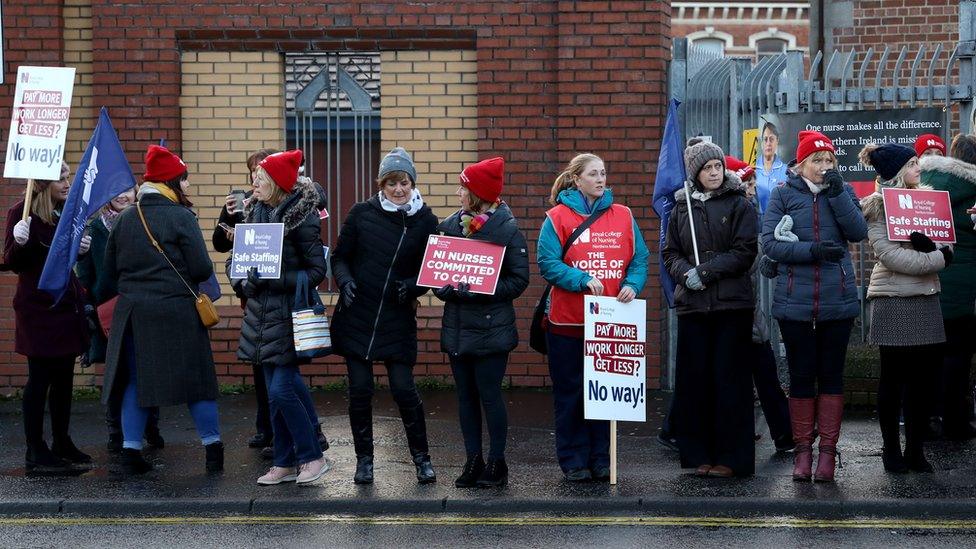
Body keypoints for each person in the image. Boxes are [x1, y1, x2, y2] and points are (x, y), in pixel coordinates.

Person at [101, 145, 223, 475]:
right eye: (184, 180)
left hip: (134, 315)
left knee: (138, 384)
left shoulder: (126, 219)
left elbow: (109, 273)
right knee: (197, 382)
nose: (188, 187)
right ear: (170, 182)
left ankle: (130, 452)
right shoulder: (182, 217)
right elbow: (200, 269)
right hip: (178, 312)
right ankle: (213, 451)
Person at [761, 131, 868, 483]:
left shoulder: (843, 191)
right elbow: (771, 245)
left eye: (829, 161)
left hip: (837, 302)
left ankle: (828, 454)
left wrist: (838, 194)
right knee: (802, 376)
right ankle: (803, 452)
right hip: (795, 303)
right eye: (817, 161)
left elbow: (857, 232)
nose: (824, 167)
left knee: (833, 377)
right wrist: (813, 251)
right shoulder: (782, 194)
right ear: (802, 164)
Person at [211, 148, 330, 460]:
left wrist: (273, 279)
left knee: (281, 391)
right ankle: (284, 460)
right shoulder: (254, 212)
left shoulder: (303, 220)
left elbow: (317, 271)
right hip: (260, 317)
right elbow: (235, 259)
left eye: (260, 178)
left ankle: (310, 454)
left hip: (289, 316)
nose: (253, 184)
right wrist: (244, 282)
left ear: (276, 183)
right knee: (277, 394)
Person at [331, 147, 439, 485]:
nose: (398, 189)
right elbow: (339, 257)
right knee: (360, 390)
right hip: (358, 314)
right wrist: (345, 281)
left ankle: (422, 460)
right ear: (382, 184)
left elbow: (430, 271)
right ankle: (365, 461)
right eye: (392, 182)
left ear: (412, 183)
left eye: (404, 182)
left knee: (404, 389)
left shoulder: (426, 220)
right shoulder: (362, 213)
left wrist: (412, 287)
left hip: (397, 317)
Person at [538, 153, 649, 482]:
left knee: (605, 393)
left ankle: (603, 458)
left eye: (603, 173)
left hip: (611, 322)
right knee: (571, 394)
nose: (600, 179)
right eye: (593, 174)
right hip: (567, 322)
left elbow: (639, 259)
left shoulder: (624, 216)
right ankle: (573, 459)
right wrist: (581, 279)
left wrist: (632, 284)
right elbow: (547, 263)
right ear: (577, 179)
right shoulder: (556, 218)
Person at [661, 143, 758, 478]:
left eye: (718, 166)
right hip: (693, 307)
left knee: (729, 382)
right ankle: (698, 453)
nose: (715, 172)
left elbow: (744, 252)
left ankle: (732, 458)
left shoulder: (740, 204)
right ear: (696, 174)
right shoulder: (679, 208)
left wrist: (705, 272)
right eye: (707, 168)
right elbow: (670, 251)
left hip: (731, 306)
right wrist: (684, 273)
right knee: (695, 382)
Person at [433, 157, 529, 488]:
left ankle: (497, 461)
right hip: (458, 327)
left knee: (489, 395)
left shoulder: (507, 229)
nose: (459, 193)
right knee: (465, 397)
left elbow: (519, 281)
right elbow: (436, 274)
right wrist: (442, 288)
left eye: (464, 188)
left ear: (478, 193)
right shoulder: (448, 226)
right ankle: (472, 459)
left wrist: (480, 291)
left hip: (491, 328)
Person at [859, 143, 950, 473]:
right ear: (898, 172)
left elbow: (945, 239)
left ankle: (915, 449)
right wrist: (936, 258)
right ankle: (890, 450)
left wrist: (937, 249)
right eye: (913, 164)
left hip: (926, 298)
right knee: (893, 380)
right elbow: (889, 255)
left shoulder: (929, 201)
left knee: (922, 382)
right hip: (893, 300)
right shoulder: (877, 208)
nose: (918, 168)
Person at [2, 162, 91, 472]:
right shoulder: (22, 213)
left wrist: (80, 250)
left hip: (65, 305)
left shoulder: (63, 213)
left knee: (64, 378)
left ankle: (61, 441)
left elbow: (64, 258)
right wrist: (19, 241)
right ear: (41, 184)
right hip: (38, 310)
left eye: (67, 177)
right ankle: (35, 450)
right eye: (60, 179)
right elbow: (12, 262)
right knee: (40, 379)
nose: (67, 184)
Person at [76, 187, 164, 454]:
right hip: (109, 311)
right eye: (117, 191)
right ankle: (115, 429)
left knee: (146, 371)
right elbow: (85, 275)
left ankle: (151, 426)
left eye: (128, 190)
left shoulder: (144, 222)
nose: (124, 196)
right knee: (117, 374)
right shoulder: (94, 229)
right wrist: (88, 306)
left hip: (142, 307)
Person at [726, 155, 793, 453]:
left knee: (762, 372)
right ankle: (782, 433)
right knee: (757, 373)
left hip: (749, 308)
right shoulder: (739, 211)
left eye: (754, 181)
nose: (754, 187)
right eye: (749, 182)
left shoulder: (750, 209)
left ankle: (783, 433)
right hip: (737, 308)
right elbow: (746, 260)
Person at [920, 134, 976, 440]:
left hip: (931, 281)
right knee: (958, 356)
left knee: (928, 357)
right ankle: (954, 420)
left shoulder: (927, 183)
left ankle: (925, 419)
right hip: (964, 288)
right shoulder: (972, 190)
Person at [754, 122, 789, 214]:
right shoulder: (752, 170)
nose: (768, 143)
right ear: (761, 142)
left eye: (771, 139)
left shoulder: (786, 171)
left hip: (780, 222)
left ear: (777, 141)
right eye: (765, 139)